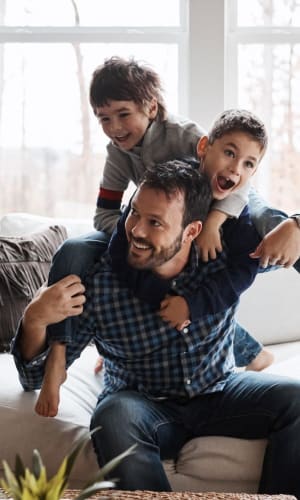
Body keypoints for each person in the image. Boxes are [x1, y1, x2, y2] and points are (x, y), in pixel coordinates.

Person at [12, 162, 300, 497]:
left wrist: (295, 223)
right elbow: (33, 379)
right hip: (142, 404)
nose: (135, 231)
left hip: (220, 389)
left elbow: (276, 236)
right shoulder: (100, 282)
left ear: (192, 231)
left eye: (155, 223)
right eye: (134, 214)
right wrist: (34, 319)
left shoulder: (223, 259)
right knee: (113, 415)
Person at [47, 58, 282, 376]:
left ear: (152, 108)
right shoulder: (117, 154)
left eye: (123, 114)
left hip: (214, 214)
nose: (114, 127)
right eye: (104, 118)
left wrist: (213, 222)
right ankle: (67, 349)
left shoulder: (186, 137)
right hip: (158, 231)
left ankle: (291, 228)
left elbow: (236, 177)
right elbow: (104, 213)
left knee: (260, 216)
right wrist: (136, 232)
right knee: (76, 251)